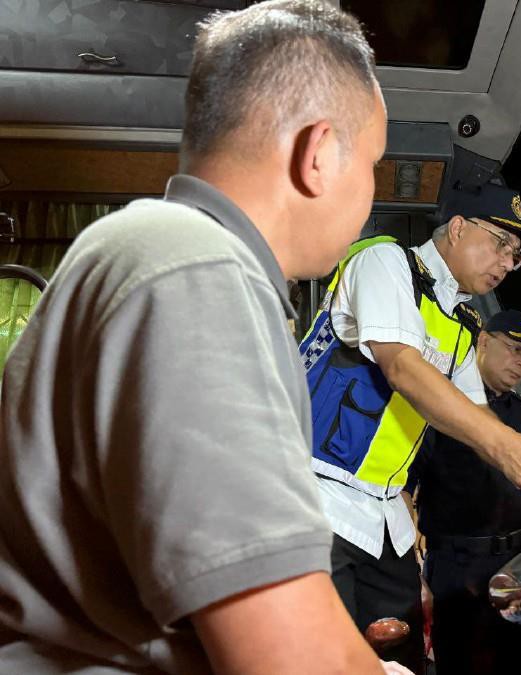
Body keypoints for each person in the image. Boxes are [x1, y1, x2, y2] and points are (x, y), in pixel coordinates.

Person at [0, 2, 410, 673]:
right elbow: (284, 659)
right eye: (372, 163)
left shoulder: (150, 249)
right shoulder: (197, 268)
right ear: (318, 154)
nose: (369, 192)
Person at [299, 183, 521, 671]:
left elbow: (474, 417)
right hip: (317, 502)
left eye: (515, 256)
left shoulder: (462, 322)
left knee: (401, 661)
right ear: (457, 228)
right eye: (500, 243)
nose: (506, 263)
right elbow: (402, 365)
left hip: (385, 520)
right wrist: (507, 446)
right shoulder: (385, 262)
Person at [404, 310, 521, 674]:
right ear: (483, 341)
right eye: (513, 349)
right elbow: (402, 487)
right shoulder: (443, 411)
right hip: (459, 568)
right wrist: (412, 570)